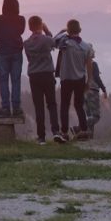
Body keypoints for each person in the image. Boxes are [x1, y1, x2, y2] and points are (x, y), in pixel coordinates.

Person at [24, 15, 63, 144]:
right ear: (40, 25)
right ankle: (56, 132)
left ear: (29, 27)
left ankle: (41, 137)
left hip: (34, 75)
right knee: (51, 104)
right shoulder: (46, 39)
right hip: (47, 73)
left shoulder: (27, 43)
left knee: (38, 106)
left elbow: (29, 59)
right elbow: (54, 42)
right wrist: (46, 30)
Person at [54, 19, 93, 141]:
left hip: (66, 79)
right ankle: (84, 129)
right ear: (80, 30)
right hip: (80, 79)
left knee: (64, 105)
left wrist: (62, 31)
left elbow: (54, 40)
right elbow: (89, 65)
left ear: (69, 30)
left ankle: (64, 132)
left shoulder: (65, 43)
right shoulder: (86, 47)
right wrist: (89, 81)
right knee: (79, 105)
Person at [0, 0, 26, 117]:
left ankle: (5, 107)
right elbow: (21, 31)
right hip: (17, 51)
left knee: (3, 80)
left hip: (3, 52)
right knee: (16, 80)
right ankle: (16, 107)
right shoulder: (21, 19)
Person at [85, 58, 108, 136]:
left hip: (84, 92)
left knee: (89, 115)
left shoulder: (81, 64)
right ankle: (80, 126)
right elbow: (97, 77)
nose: (94, 52)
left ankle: (88, 136)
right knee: (95, 116)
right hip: (93, 91)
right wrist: (104, 89)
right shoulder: (93, 64)